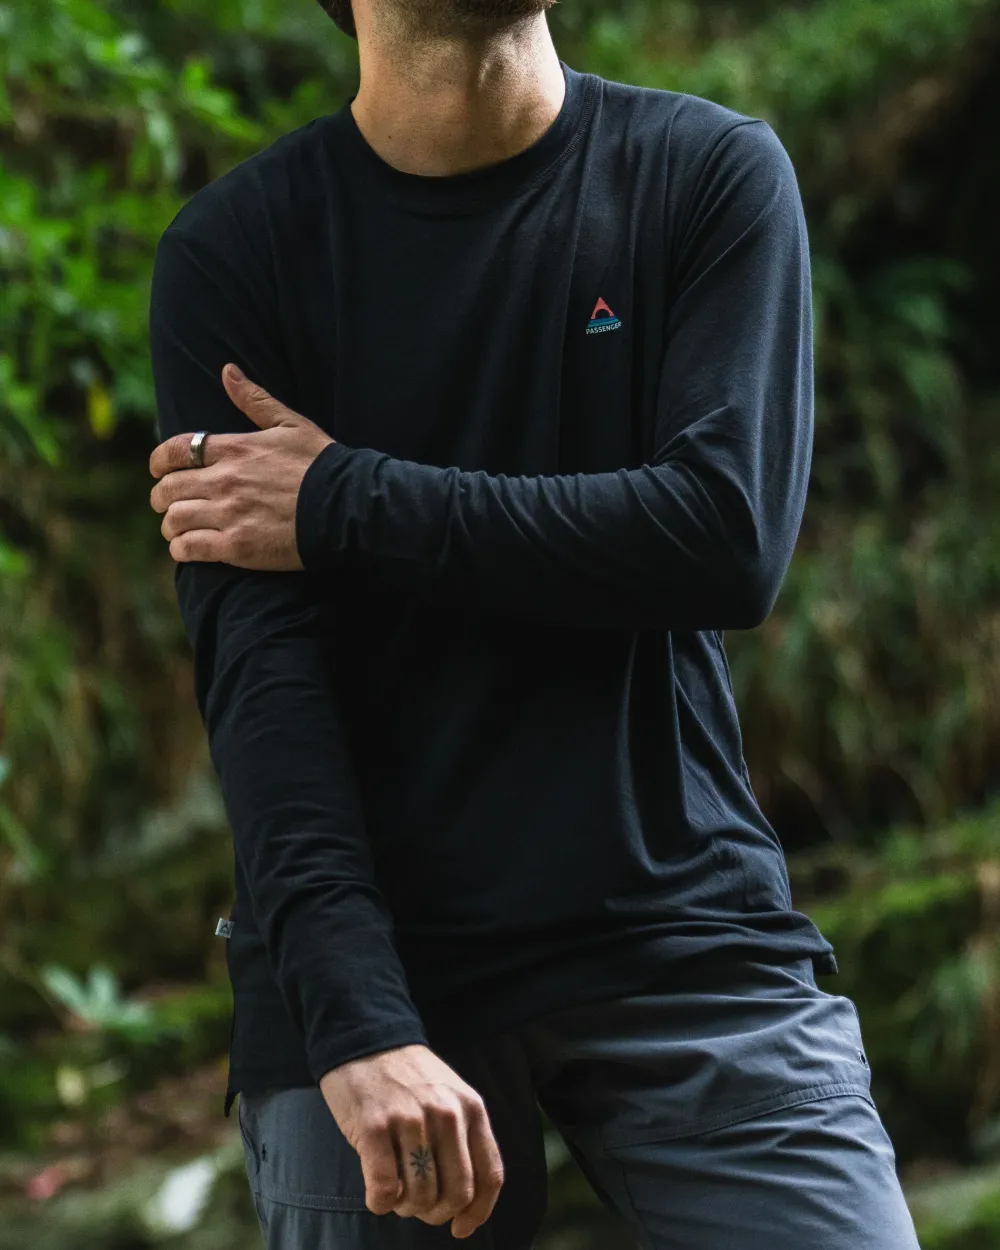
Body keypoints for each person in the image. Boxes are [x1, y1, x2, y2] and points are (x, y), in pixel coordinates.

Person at [147, 1, 921, 1246]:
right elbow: (264, 687)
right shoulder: (240, 247)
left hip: (679, 928)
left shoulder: (704, 172)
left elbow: (721, 536)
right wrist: (358, 1021)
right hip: (379, 960)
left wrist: (341, 499)